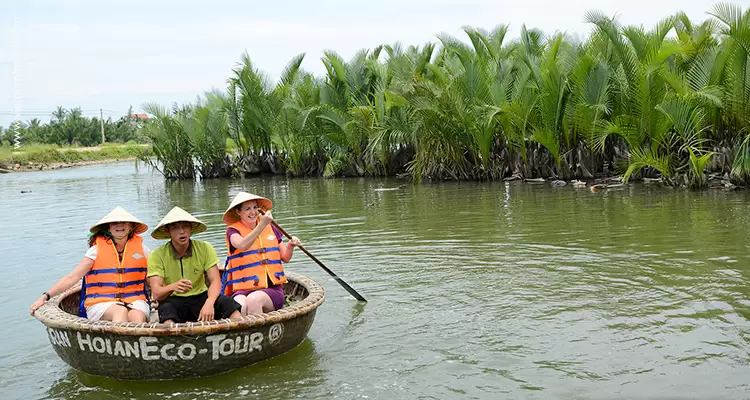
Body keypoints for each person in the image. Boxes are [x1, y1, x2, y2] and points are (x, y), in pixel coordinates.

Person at [30, 206, 151, 322]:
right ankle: (116, 341)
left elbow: (154, 275)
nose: (119, 225)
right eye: (115, 223)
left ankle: (135, 341)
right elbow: (73, 277)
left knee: (137, 317)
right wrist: (45, 296)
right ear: (108, 228)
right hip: (101, 302)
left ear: (131, 227)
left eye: (124, 222)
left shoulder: (142, 249)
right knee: (120, 311)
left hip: (135, 300)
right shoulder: (96, 251)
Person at [147, 206, 241, 324]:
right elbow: (156, 293)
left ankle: (240, 334)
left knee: (229, 304)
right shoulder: (157, 255)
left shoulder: (205, 247)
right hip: (173, 299)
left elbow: (216, 281)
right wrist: (173, 287)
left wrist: (209, 302)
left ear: (191, 228)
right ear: (168, 231)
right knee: (167, 311)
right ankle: (173, 340)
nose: (182, 231)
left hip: (201, 296)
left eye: (185, 226)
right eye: (175, 227)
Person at [221, 192, 300, 316]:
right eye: (247, 209)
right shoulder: (233, 231)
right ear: (238, 212)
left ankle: (259, 333)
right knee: (238, 306)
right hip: (242, 289)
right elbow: (242, 245)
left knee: (254, 300)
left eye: (255, 208)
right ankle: (243, 334)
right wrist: (262, 225)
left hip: (271, 289)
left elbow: (285, 257)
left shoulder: (271, 228)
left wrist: (291, 246)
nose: (253, 212)